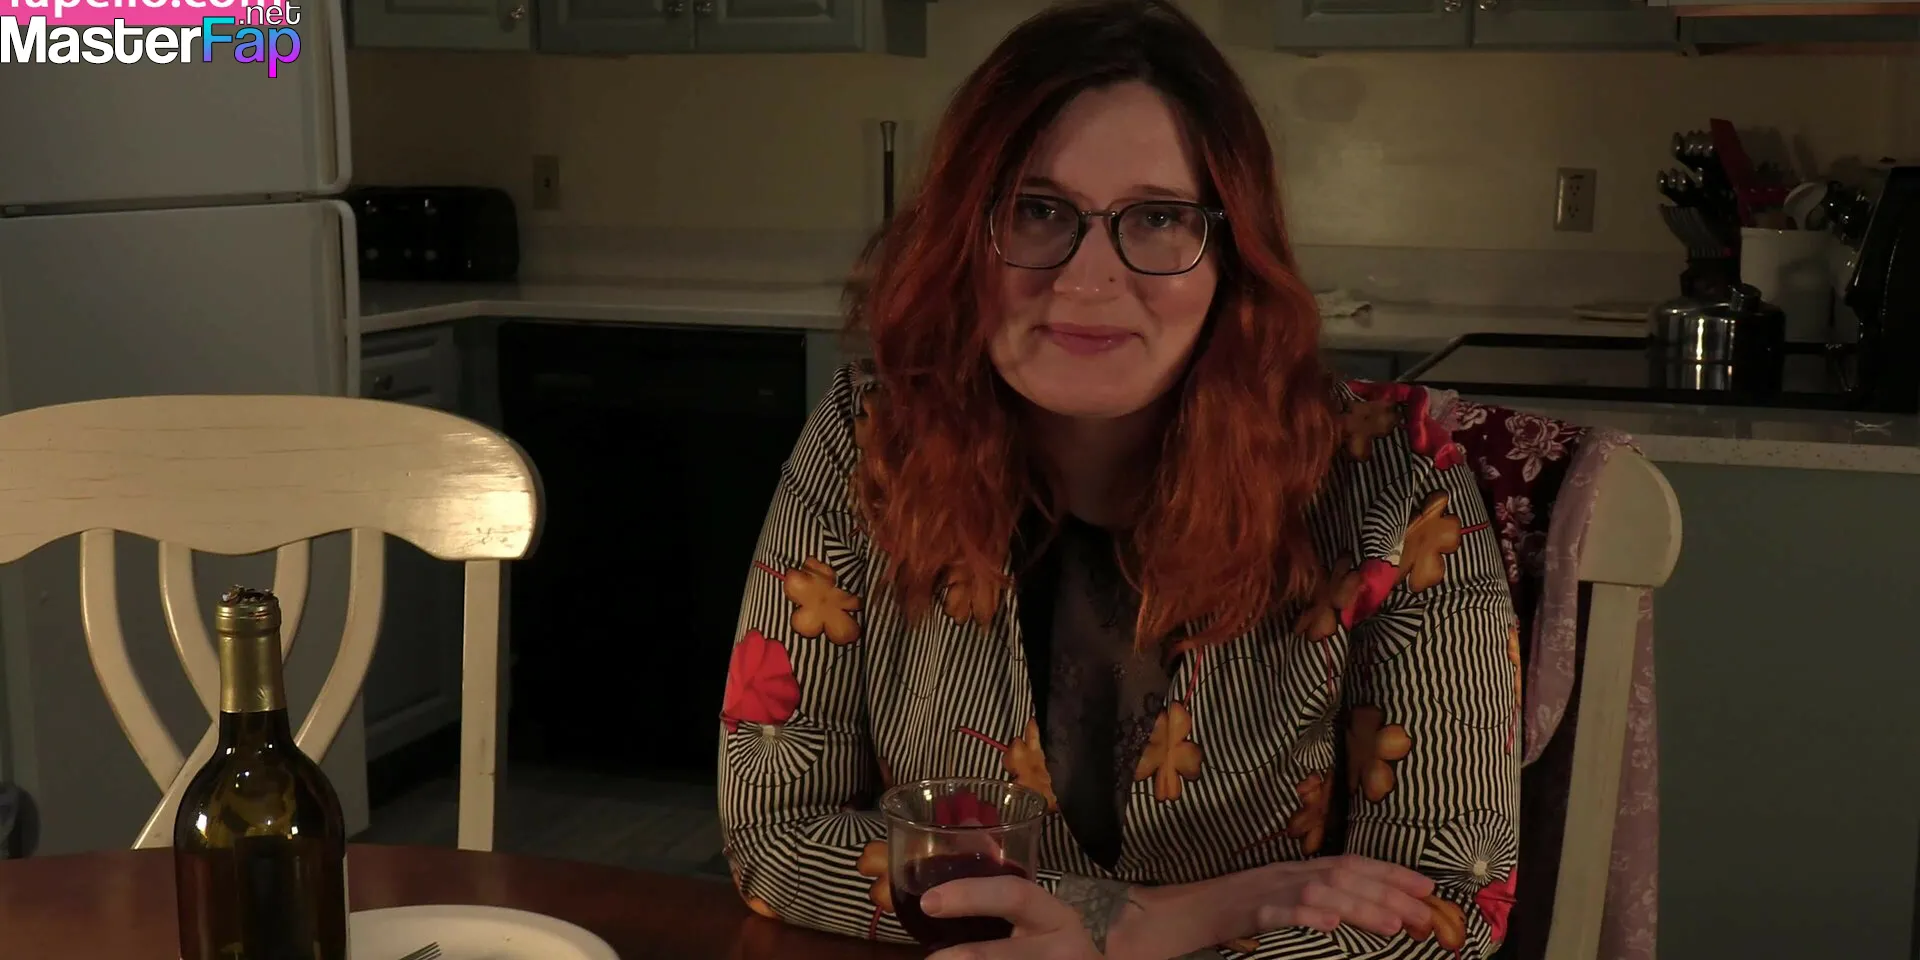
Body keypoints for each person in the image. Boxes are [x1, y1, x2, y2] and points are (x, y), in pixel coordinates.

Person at [717, 2, 1520, 958]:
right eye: (1037, 210)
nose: (1088, 280)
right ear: (964, 236)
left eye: (1160, 218)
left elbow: (1448, 904)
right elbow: (773, 833)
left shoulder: (1394, 487)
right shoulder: (872, 436)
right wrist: (1144, 920)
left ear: (1232, 255)